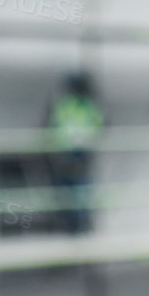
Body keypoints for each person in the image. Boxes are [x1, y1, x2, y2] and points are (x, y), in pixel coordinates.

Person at [45, 70, 103, 234]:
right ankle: (74, 229)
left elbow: (98, 127)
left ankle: (78, 229)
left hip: (76, 155)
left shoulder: (78, 105)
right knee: (72, 198)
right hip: (67, 155)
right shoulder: (72, 105)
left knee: (77, 197)